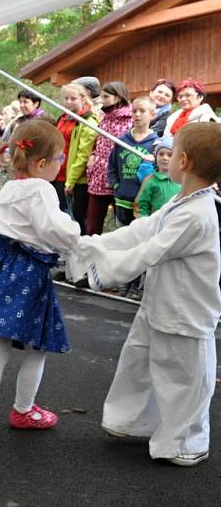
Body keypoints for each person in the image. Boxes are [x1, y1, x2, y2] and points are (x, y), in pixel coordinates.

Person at [68, 123, 221, 467]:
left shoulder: (197, 215)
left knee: (185, 378)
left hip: (186, 314)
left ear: (183, 160)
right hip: (160, 303)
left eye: (172, 149)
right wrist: (94, 244)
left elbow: (150, 252)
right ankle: (131, 419)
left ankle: (186, 440)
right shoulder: (181, 201)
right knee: (138, 362)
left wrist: (98, 271)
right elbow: (143, 229)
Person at [0, 119, 78, 437]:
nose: (60, 166)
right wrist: (76, 237)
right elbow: (52, 229)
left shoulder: (10, 186)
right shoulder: (41, 189)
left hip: (3, 268)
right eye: (59, 159)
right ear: (43, 162)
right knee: (37, 348)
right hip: (30, 274)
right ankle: (23, 410)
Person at [85, 81, 132, 236]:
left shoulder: (129, 120)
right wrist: (93, 157)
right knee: (92, 225)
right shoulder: (104, 118)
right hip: (98, 178)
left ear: (118, 97)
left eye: (106, 96)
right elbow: (99, 144)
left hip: (116, 180)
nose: (102, 100)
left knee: (121, 226)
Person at [108, 96, 158, 226]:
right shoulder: (122, 140)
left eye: (142, 111)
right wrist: (116, 186)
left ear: (152, 114)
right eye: (134, 111)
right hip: (122, 198)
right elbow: (112, 166)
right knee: (121, 236)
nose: (137, 114)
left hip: (144, 201)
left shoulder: (156, 143)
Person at [62, 83, 100, 233]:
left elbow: (82, 155)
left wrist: (70, 181)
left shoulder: (88, 121)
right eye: (66, 98)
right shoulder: (67, 117)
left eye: (73, 98)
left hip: (80, 180)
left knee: (78, 219)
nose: (69, 102)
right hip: (66, 174)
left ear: (83, 99)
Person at [134, 137, 181, 218]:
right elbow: (140, 206)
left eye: (170, 155)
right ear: (155, 156)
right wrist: (146, 224)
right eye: (161, 154)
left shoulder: (182, 181)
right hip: (155, 226)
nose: (165, 158)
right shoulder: (150, 180)